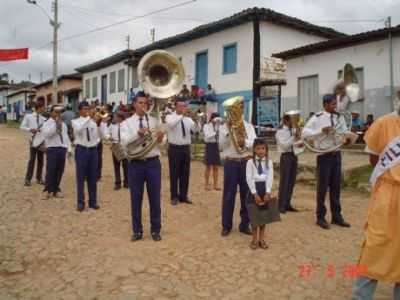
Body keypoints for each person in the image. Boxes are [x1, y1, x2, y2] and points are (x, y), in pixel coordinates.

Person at [351, 109, 400, 300]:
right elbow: (374, 159)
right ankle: (361, 296)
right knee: (374, 246)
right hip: (387, 194)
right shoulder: (383, 123)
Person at [302, 94, 352, 230]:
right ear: (325, 104)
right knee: (322, 188)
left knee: (336, 187)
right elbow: (305, 133)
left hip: (336, 154)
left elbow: (344, 131)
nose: (334, 106)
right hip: (324, 155)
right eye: (332, 104)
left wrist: (347, 138)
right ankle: (320, 217)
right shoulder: (317, 117)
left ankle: (337, 216)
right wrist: (320, 131)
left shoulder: (339, 117)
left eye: (335, 104)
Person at [120, 92, 165, 242]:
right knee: (136, 198)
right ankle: (137, 230)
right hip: (136, 164)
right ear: (134, 104)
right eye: (140, 103)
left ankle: (156, 229)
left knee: (155, 198)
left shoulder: (154, 120)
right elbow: (124, 143)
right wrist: (138, 134)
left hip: (153, 163)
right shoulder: (126, 123)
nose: (143, 105)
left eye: (145, 103)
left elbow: (162, 143)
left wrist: (161, 138)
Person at [219, 99, 257, 237]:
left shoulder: (249, 126)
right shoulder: (224, 127)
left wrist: (244, 142)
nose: (238, 110)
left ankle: (244, 225)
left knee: (246, 195)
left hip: (246, 162)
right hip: (231, 163)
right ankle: (226, 225)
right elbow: (221, 145)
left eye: (240, 107)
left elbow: (254, 143)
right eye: (235, 108)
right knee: (228, 195)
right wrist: (228, 131)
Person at [71, 101, 107, 212]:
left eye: (88, 109)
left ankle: (93, 202)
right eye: (85, 109)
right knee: (80, 178)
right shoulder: (75, 121)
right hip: (81, 150)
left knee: (93, 177)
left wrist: (100, 123)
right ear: (80, 110)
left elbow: (102, 136)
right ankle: (80, 203)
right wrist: (89, 118)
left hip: (93, 150)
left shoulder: (93, 122)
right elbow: (78, 130)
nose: (88, 111)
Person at [246, 138, 280, 249]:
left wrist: (268, 191)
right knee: (254, 216)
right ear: (254, 150)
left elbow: (270, 177)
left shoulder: (268, 162)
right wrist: (254, 193)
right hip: (254, 190)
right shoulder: (250, 162)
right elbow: (249, 178)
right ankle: (254, 239)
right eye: (258, 148)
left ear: (266, 150)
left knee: (264, 216)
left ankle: (261, 239)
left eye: (263, 148)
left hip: (264, 190)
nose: (261, 151)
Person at [165, 98, 198, 205]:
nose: (184, 108)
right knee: (174, 173)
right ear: (175, 106)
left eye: (184, 106)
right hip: (174, 148)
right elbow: (171, 125)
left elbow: (196, 131)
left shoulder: (188, 120)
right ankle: (174, 196)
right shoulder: (170, 117)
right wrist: (181, 116)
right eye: (181, 106)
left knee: (185, 173)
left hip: (185, 148)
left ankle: (183, 196)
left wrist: (196, 120)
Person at [41, 105, 71, 200]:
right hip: (52, 149)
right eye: (56, 111)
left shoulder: (63, 124)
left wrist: (69, 148)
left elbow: (66, 137)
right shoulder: (47, 123)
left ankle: (55, 190)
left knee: (60, 171)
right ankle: (48, 190)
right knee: (51, 170)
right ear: (51, 112)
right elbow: (47, 135)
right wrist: (56, 125)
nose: (58, 114)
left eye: (59, 112)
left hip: (62, 148)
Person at [275, 113, 300, 213]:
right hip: (286, 156)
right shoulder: (280, 132)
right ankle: (280, 205)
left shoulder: (293, 130)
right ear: (285, 121)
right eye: (291, 120)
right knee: (284, 181)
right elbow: (285, 146)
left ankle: (287, 203)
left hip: (294, 155)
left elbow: (298, 143)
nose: (293, 122)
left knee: (291, 181)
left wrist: (299, 138)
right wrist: (294, 137)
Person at [20, 102, 47, 186]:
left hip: (41, 141)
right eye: (43, 107)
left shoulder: (43, 118)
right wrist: (30, 129)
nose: (44, 109)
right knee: (32, 160)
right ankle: (28, 179)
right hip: (33, 140)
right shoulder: (29, 116)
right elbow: (22, 127)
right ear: (39, 107)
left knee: (41, 160)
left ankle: (39, 178)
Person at [109, 112, 128, 190]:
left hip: (124, 146)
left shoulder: (126, 125)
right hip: (116, 145)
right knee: (116, 166)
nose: (114, 118)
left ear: (120, 118)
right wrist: (109, 137)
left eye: (115, 117)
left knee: (126, 166)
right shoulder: (112, 126)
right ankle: (118, 183)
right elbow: (107, 133)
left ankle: (127, 182)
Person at [203, 112, 222, 191]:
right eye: (216, 119)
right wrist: (216, 132)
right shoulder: (206, 126)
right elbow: (207, 136)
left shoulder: (219, 126)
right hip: (209, 145)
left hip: (216, 146)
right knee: (208, 166)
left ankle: (216, 184)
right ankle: (206, 184)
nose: (217, 121)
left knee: (216, 166)